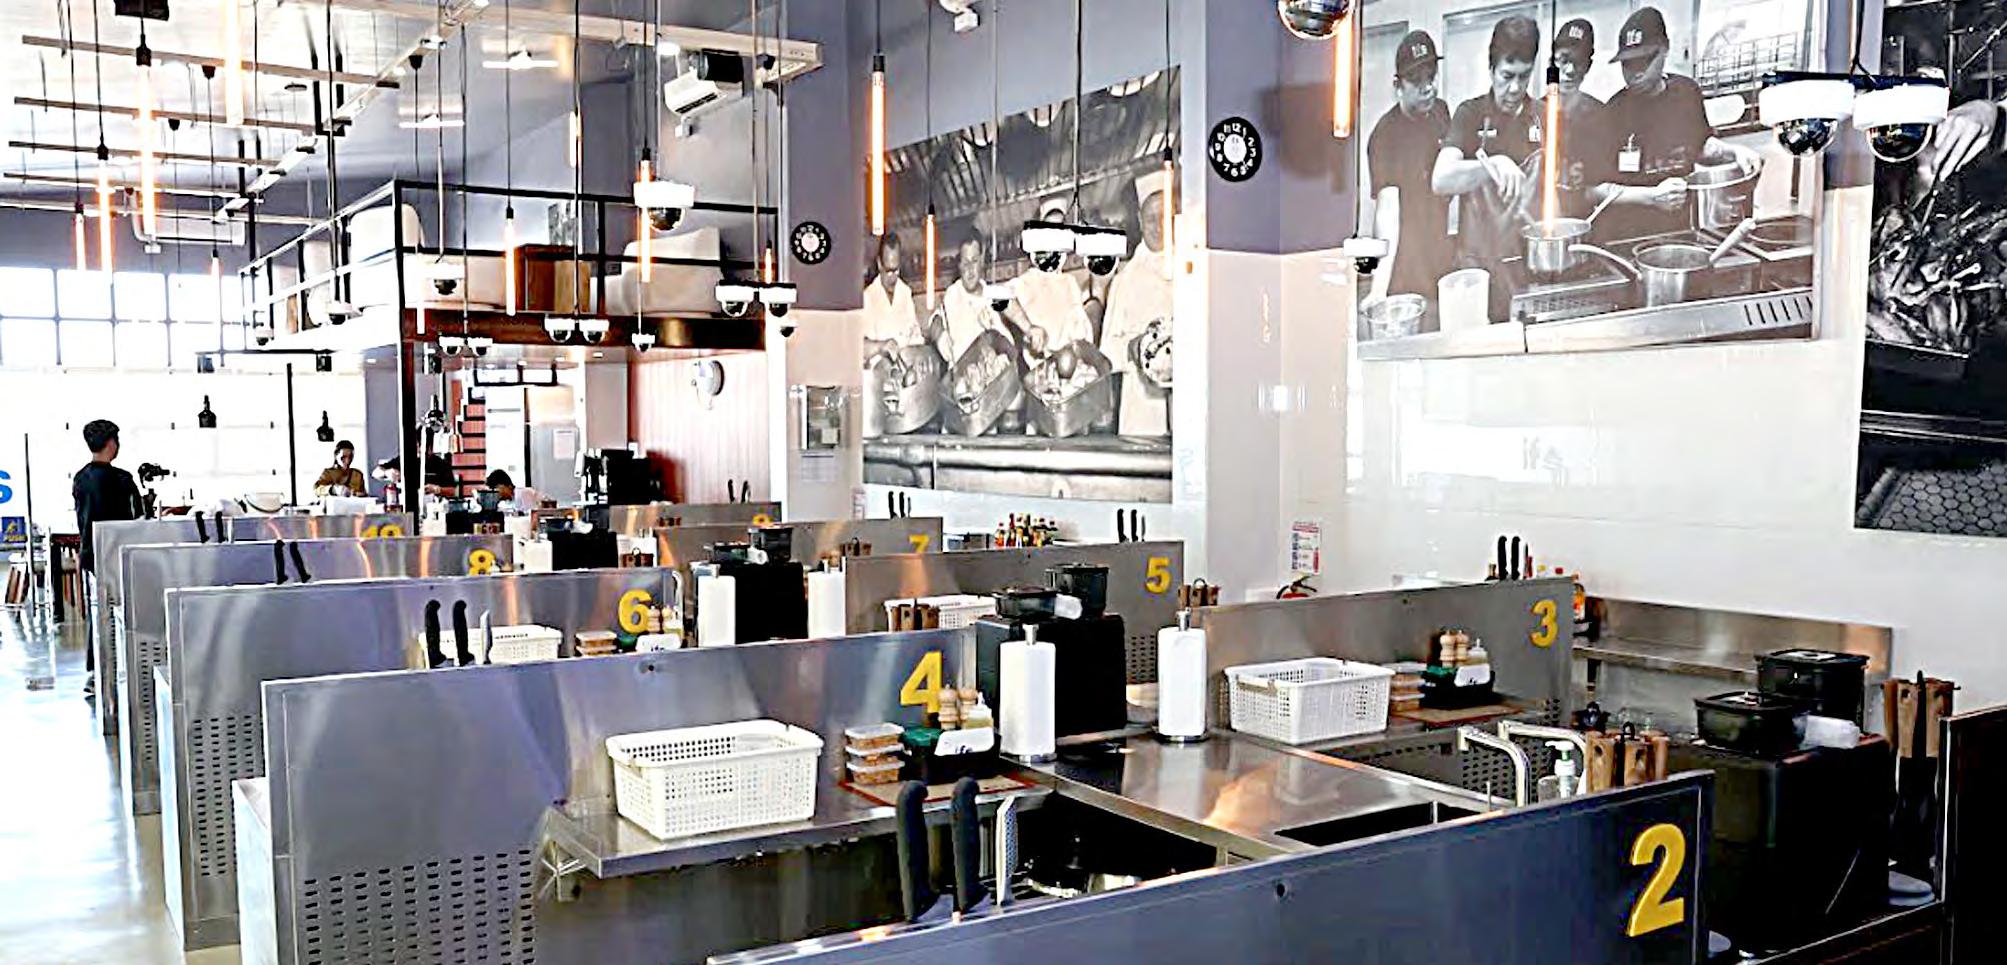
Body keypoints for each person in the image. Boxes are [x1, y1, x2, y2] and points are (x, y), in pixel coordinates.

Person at [1596, 6, 1762, 241]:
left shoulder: (1686, 93)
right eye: (1628, 64)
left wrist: (1734, 152)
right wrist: (1651, 197)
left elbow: (1699, 146)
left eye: (1644, 61)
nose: (1636, 74)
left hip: (1681, 229)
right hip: (1629, 236)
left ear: (1665, 49)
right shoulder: (1612, 112)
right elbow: (1595, 190)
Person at [1433, 16, 1545, 279]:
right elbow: (1441, 180)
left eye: (1524, 76)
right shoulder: (1470, 114)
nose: (1515, 88)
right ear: (1491, 69)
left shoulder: (1544, 116)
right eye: (1507, 76)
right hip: (1478, 268)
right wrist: (1492, 164)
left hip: (1531, 264)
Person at [1365, 30, 1452, 303]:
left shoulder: (1441, 112)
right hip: (1403, 271)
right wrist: (1378, 290)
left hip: (1441, 258)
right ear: (1397, 85)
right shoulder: (1384, 136)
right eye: (1416, 80)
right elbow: (1387, 212)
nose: (1427, 88)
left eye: (1431, 77)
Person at [1100, 169, 1174, 436]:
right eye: (1151, 218)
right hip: (1143, 410)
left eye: (1164, 216)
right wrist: (1134, 347)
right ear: (1140, 221)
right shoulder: (1125, 279)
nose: (1158, 226)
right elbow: (1106, 353)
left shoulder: (1193, 269)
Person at [73, 419, 140, 696]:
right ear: (111, 443)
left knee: (98, 613)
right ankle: (127, 666)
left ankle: (95, 673)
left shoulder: (80, 478)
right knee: (126, 613)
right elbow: (138, 519)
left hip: (91, 555)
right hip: (122, 555)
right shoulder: (122, 479)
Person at [1010, 195, 1095, 357]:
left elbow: (1082, 332)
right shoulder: (1027, 282)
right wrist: (1028, 328)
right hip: (1043, 368)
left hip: (1076, 366)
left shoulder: (1070, 282)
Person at [1548, 20, 1614, 222]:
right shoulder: (1532, 114)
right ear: (1552, 62)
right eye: (1563, 60)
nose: (1570, 70)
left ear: (1588, 66)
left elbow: (1608, 181)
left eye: (1578, 62)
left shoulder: (1603, 116)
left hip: (1589, 222)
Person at [939, 231, 1007, 366]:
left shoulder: (992, 297)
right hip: (962, 374)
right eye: (965, 262)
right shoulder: (953, 294)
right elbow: (936, 320)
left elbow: (1008, 345)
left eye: (974, 261)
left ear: (982, 261)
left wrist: (993, 331)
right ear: (959, 266)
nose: (970, 269)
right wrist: (940, 336)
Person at [861, 231, 923, 355]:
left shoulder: (905, 293)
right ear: (879, 264)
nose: (893, 278)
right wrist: (881, 346)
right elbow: (858, 345)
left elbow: (916, 337)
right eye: (889, 271)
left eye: (896, 270)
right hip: (878, 366)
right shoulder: (867, 298)